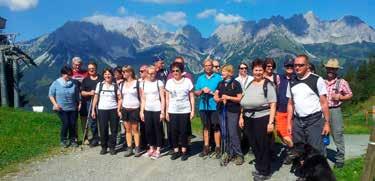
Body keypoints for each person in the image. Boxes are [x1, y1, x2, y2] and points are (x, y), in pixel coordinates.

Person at [286, 54, 330, 157]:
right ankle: (305, 170)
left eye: (301, 65)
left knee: (316, 150)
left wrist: (327, 123)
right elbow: (290, 104)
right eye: (295, 65)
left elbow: (324, 103)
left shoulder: (317, 80)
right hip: (298, 121)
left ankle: (319, 172)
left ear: (307, 66)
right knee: (299, 149)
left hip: (314, 120)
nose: (297, 67)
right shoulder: (291, 81)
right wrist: (289, 123)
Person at [240, 58, 277, 180]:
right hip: (248, 117)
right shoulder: (251, 83)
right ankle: (260, 166)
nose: (258, 72)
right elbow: (244, 101)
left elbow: (273, 104)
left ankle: (265, 171)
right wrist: (241, 116)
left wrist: (271, 122)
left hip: (262, 117)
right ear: (252, 71)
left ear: (264, 70)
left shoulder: (268, 84)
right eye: (256, 70)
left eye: (260, 70)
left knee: (262, 144)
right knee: (254, 143)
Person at [324, 58, 353, 168]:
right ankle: (322, 156)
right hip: (322, 111)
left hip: (335, 110)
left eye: (333, 69)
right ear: (326, 69)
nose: (330, 70)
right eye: (329, 68)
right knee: (322, 135)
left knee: (337, 134)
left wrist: (340, 97)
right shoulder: (321, 81)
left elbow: (350, 94)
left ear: (336, 70)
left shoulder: (342, 82)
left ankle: (340, 159)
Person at [214, 64, 244, 165]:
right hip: (222, 110)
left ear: (230, 73)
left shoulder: (236, 84)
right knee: (224, 132)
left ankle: (239, 154)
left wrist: (228, 97)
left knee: (233, 132)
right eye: (222, 71)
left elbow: (239, 98)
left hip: (233, 111)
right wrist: (218, 98)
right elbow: (216, 94)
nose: (222, 73)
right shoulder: (220, 83)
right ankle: (227, 152)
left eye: (224, 71)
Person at [165, 62, 195, 161]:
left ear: (181, 71)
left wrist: (192, 110)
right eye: (173, 71)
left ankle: (184, 151)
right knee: (173, 132)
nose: (175, 72)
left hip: (185, 110)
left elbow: (191, 96)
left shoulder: (187, 81)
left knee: (184, 131)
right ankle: (176, 150)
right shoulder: (169, 82)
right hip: (172, 110)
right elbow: (167, 98)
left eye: (177, 70)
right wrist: (166, 111)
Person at [195, 59, 222, 158]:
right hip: (203, 106)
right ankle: (206, 147)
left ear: (212, 66)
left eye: (209, 65)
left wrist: (211, 92)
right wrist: (202, 90)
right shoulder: (200, 78)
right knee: (206, 127)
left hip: (215, 106)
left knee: (216, 127)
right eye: (206, 65)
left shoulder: (219, 78)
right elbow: (196, 93)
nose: (208, 67)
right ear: (203, 67)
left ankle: (218, 147)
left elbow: (222, 92)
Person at [49, 66, 81, 148]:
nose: (69, 76)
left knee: (73, 124)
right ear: (62, 74)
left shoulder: (73, 83)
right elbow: (51, 95)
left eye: (70, 75)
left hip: (72, 107)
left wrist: (79, 103)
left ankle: (73, 140)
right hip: (61, 108)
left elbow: (77, 95)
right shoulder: (56, 83)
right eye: (67, 74)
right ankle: (63, 140)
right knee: (66, 123)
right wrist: (55, 104)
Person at [91, 68, 121, 155]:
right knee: (103, 129)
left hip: (113, 109)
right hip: (102, 109)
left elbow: (120, 98)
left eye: (109, 74)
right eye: (105, 74)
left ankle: (112, 147)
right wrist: (93, 109)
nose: (107, 76)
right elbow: (96, 97)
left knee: (114, 129)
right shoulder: (99, 85)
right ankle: (104, 147)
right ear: (103, 75)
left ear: (112, 75)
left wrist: (118, 109)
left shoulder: (115, 86)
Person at [140, 66, 166, 159]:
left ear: (156, 73)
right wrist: (141, 111)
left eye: (153, 73)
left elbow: (162, 98)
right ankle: (151, 148)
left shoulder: (159, 83)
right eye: (150, 73)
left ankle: (158, 150)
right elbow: (143, 98)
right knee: (148, 130)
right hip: (147, 109)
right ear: (146, 73)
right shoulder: (142, 84)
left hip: (157, 109)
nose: (152, 75)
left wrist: (162, 111)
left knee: (158, 130)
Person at [275, 59, 295, 164]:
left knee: (290, 132)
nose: (289, 67)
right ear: (284, 67)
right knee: (279, 131)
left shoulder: (297, 78)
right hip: (281, 109)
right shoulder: (279, 78)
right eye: (287, 66)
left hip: (293, 111)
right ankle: (293, 150)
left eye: (291, 66)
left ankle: (291, 153)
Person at [120, 65, 142, 157]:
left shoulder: (137, 83)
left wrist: (142, 109)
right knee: (127, 129)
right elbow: (121, 98)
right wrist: (119, 109)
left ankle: (137, 147)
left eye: (125, 72)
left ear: (130, 72)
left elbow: (141, 96)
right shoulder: (122, 84)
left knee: (135, 129)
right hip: (125, 109)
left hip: (135, 109)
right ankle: (129, 147)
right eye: (123, 72)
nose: (123, 73)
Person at [80, 62, 101, 147]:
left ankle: (104, 137)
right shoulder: (86, 80)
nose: (91, 70)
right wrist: (89, 93)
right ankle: (95, 138)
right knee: (92, 121)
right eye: (89, 69)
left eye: (93, 68)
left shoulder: (101, 78)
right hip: (90, 102)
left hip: (101, 102)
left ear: (96, 68)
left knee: (102, 120)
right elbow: (82, 92)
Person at [235, 62, 254, 154]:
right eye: (242, 68)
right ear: (239, 70)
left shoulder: (252, 79)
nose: (244, 70)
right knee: (240, 126)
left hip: (250, 105)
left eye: (245, 68)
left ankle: (251, 145)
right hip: (239, 105)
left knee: (250, 126)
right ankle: (243, 144)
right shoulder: (236, 80)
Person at [71, 57, 88, 142]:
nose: (77, 67)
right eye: (76, 65)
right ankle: (75, 137)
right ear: (72, 64)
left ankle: (85, 137)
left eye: (79, 65)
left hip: (83, 98)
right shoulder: (69, 73)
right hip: (73, 99)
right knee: (74, 118)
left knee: (84, 118)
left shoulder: (85, 73)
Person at [113, 67, 126, 146]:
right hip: (114, 104)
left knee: (124, 122)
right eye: (114, 73)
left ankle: (125, 138)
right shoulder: (112, 81)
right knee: (115, 123)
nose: (115, 74)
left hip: (123, 104)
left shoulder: (124, 82)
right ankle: (118, 138)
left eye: (117, 73)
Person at [138, 65, 149, 150]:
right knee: (142, 126)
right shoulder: (138, 82)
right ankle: (143, 144)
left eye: (142, 71)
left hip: (150, 106)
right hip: (140, 105)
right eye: (139, 71)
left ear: (146, 71)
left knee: (152, 126)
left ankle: (156, 143)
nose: (140, 72)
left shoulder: (151, 81)